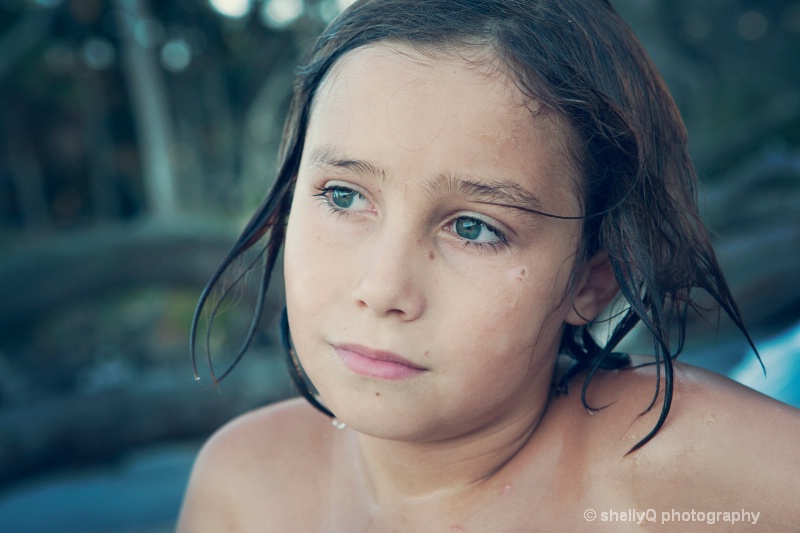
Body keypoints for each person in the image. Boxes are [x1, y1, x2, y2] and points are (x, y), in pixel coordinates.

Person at [177, 1, 800, 531]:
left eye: (474, 229)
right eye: (344, 196)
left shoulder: (683, 469)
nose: (383, 288)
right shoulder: (244, 486)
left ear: (591, 281)